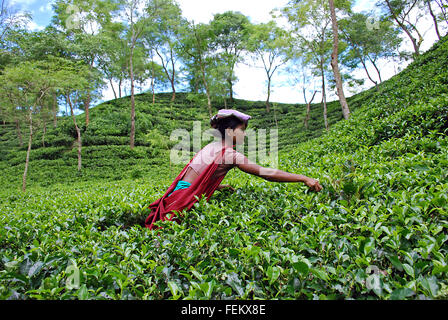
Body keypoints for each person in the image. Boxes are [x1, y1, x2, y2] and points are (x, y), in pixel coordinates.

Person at [144, 109, 322, 230]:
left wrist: (218, 186)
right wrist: (303, 177)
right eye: (242, 130)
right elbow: (265, 173)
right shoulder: (229, 154)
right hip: (182, 203)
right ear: (230, 131)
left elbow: (194, 177)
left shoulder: (209, 147)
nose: (244, 134)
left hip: (174, 197)